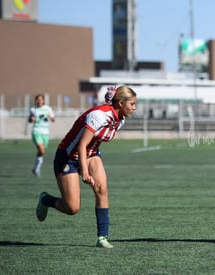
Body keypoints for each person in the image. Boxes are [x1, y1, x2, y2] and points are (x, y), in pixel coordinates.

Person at [35, 85, 137, 248]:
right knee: (72, 208)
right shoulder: (99, 115)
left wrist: (89, 164)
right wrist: (84, 171)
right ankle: (46, 199)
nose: (134, 107)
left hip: (91, 154)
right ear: (120, 103)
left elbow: (92, 145)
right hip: (67, 157)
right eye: (132, 104)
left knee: (102, 189)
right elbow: (81, 145)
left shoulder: (120, 120)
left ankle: (102, 238)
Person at [29, 94, 55, 177]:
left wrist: (51, 117)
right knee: (41, 150)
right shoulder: (33, 110)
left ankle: (35, 169)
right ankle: (36, 169)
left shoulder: (47, 109)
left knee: (41, 152)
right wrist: (31, 119)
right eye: (37, 99)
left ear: (43, 100)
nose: (39, 101)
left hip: (45, 133)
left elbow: (53, 119)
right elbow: (30, 120)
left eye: (40, 99)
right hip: (36, 131)